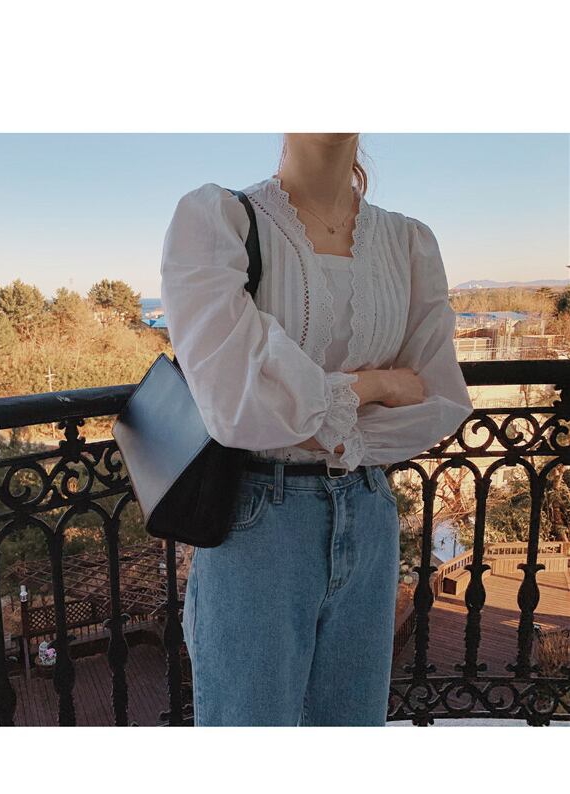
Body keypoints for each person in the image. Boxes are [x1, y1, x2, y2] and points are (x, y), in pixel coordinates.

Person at [160, 133, 472, 725]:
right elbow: (237, 409)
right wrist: (377, 385)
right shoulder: (220, 221)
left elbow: (438, 401)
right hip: (256, 520)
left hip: (369, 508)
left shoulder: (408, 242)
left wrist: (305, 407)